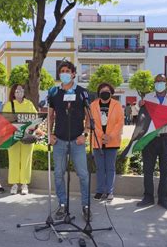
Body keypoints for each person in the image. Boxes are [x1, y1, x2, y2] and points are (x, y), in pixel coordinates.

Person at [48, 61, 91, 222]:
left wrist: (85, 134)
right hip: (58, 141)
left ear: (73, 74)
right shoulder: (54, 93)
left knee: (83, 175)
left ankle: (86, 207)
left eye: (67, 71)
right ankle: (62, 205)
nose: (64, 74)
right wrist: (49, 134)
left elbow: (89, 116)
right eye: (62, 71)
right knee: (58, 174)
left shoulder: (82, 93)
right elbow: (50, 116)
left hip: (77, 141)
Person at [137, 74, 167, 211]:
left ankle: (164, 199)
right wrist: (140, 106)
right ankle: (148, 197)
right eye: (157, 81)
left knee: (165, 170)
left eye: (162, 81)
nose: (159, 83)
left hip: (166, 137)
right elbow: (142, 116)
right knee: (148, 169)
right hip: (149, 137)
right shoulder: (148, 98)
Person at [89, 83, 123, 202]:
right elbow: (90, 122)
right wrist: (101, 135)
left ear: (111, 92)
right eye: (102, 90)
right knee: (99, 168)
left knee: (110, 168)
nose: (105, 92)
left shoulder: (117, 105)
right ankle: (99, 190)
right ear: (98, 92)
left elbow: (120, 122)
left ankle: (109, 191)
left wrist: (110, 136)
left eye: (107, 90)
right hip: (98, 141)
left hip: (112, 141)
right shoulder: (93, 105)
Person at [3, 84, 37, 195]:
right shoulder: (9, 105)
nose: (19, 92)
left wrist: (31, 128)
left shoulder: (29, 104)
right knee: (13, 160)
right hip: (13, 136)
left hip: (27, 136)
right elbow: (4, 120)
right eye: (17, 90)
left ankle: (24, 184)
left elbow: (36, 119)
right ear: (13, 92)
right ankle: (14, 184)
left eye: (21, 90)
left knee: (26, 160)